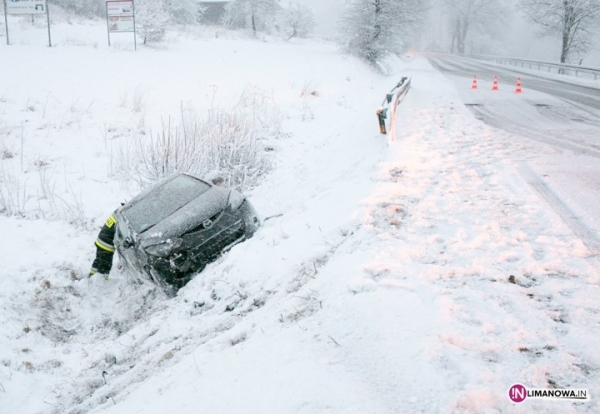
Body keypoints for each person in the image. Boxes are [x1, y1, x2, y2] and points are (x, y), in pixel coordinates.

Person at [89, 212, 117, 279]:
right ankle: (101, 281)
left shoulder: (117, 214)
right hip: (107, 245)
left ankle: (91, 276)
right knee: (106, 265)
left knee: (98, 260)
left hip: (101, 240)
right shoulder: (122, 218)